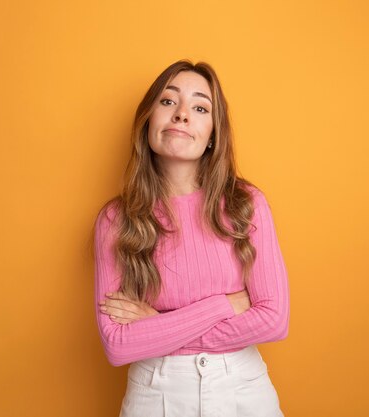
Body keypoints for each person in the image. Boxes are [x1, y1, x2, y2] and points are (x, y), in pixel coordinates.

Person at [94, 59, 289, 416]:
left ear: (214, 133)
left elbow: (274, 320)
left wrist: (156, 326)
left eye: (200, 107)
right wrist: (224, 305)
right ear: (148, 122)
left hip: (242, 392)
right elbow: (118, 346)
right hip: (155, 395)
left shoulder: (247, 205)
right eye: (168, 102)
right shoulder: (115, 219)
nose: (182, 114)